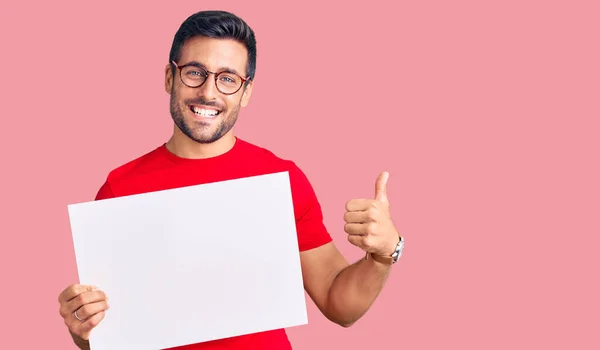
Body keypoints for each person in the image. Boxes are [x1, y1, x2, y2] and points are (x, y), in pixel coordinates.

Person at [57, 10, 405, 350]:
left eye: (227, 78)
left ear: (246, 91)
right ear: (169, 78)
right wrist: (82, 330)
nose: (209, 92)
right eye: (195, 72)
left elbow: (338, 304)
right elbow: (109, 330)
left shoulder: (281, 179)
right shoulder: (120, 189)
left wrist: (383, 255)